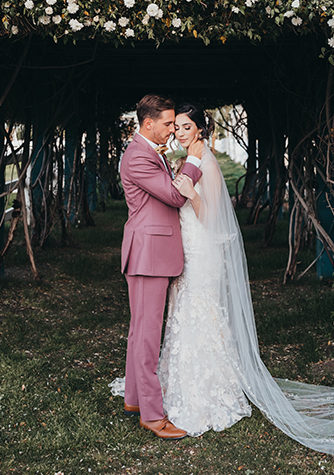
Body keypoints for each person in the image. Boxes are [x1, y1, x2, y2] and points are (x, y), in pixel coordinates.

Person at [156, 102, 334, 457]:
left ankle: (209, 388)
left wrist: (190, 196)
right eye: (177, 128)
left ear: (201, 130)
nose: (179, 132)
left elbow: (215, 217)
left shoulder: (207, 162)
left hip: (203, 248)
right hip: (188, 246)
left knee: (201, 311)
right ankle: (180, 382)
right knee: (183, 309)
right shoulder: (186, 160)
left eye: (186, 127)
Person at [118, 94, 203, 440]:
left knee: (141, 330)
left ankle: (135, 399)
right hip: (148, 254)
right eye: (168, 123)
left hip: (151, 251)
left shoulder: (148, 151)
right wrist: (194, 162)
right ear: (148, 123)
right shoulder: (138, 156)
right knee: (148, 335)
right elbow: (174, 195)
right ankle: (153, 416)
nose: (173, 129)